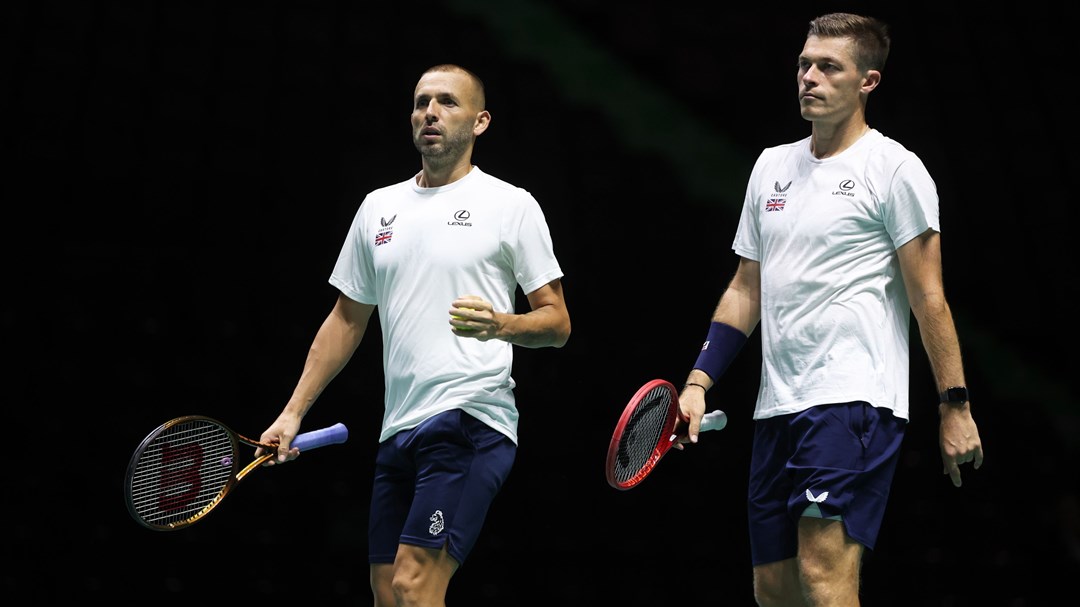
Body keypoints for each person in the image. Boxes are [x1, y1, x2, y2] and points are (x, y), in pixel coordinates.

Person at [673, 13, 984, 606]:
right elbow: (745, 289)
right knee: (774, 588)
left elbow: (929, 297)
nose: (808, 77)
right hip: (777, 406)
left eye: (828, 67)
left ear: (868, 81)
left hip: (853, 399)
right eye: (803, 64)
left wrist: (955, 405)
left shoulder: (894, 169)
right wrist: (698, 381)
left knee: (823, 571)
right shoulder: (770, 166)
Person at [254, 64, 570, 606]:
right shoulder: (380, 207)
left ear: (480, 121)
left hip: (472, 418)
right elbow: (346, 320)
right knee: (386, 593)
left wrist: (500, 324)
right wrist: (292, 412)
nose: (430, 112)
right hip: (398, 426)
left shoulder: (511, 205)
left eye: (448, 102)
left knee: (414, 586)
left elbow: (557, 323)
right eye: (422, 102)